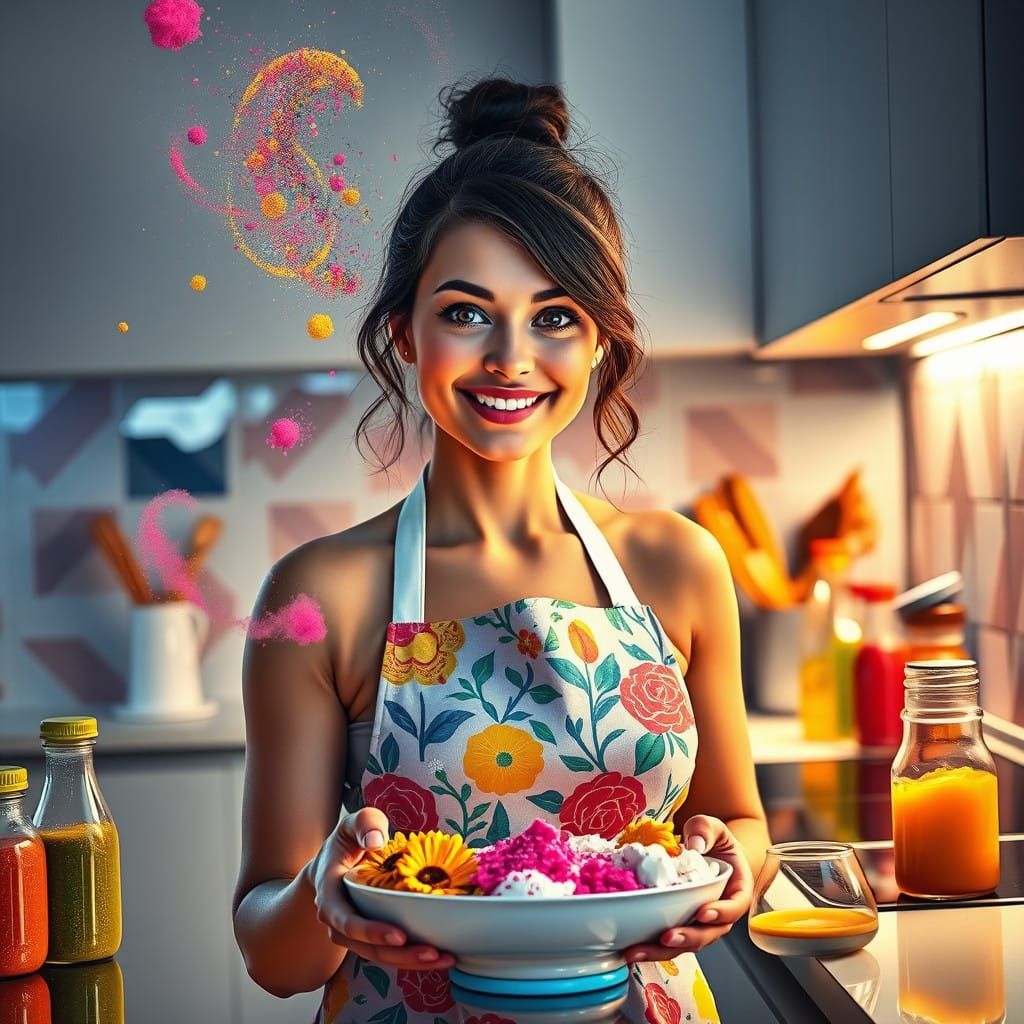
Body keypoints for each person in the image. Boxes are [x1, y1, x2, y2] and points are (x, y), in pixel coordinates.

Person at [233, 76, 770, 1024]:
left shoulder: (680, 565)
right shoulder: (320, 594)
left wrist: (735, 872)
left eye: (556, 316)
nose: (512, 358)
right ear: (404, 330)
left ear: (601, 338)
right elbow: (274, 957)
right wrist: (330, 883)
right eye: (467, 311)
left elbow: (741, 823)